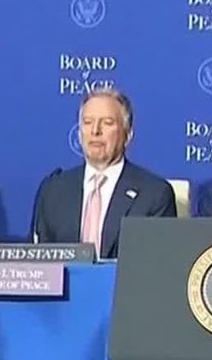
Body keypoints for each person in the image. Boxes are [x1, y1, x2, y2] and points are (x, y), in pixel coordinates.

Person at [30, 88, 177, 259]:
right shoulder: (53, 190)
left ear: (128, 135)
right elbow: (40, 264)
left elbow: (158, 264)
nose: (95, 131)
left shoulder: (154, 195)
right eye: (87, 122)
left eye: (107, 123)